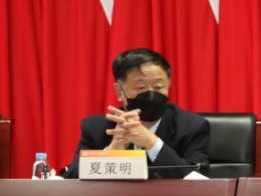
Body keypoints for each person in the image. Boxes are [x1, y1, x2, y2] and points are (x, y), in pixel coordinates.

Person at [65, 48, 209, 179]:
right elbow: (72, 178)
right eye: (141, 87)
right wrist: (112, 151)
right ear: (119, 91)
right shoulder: (96, 128)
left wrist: (152, 143)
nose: (151, 94)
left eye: (158, 86)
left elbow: (199, 180)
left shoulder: (191, 126)